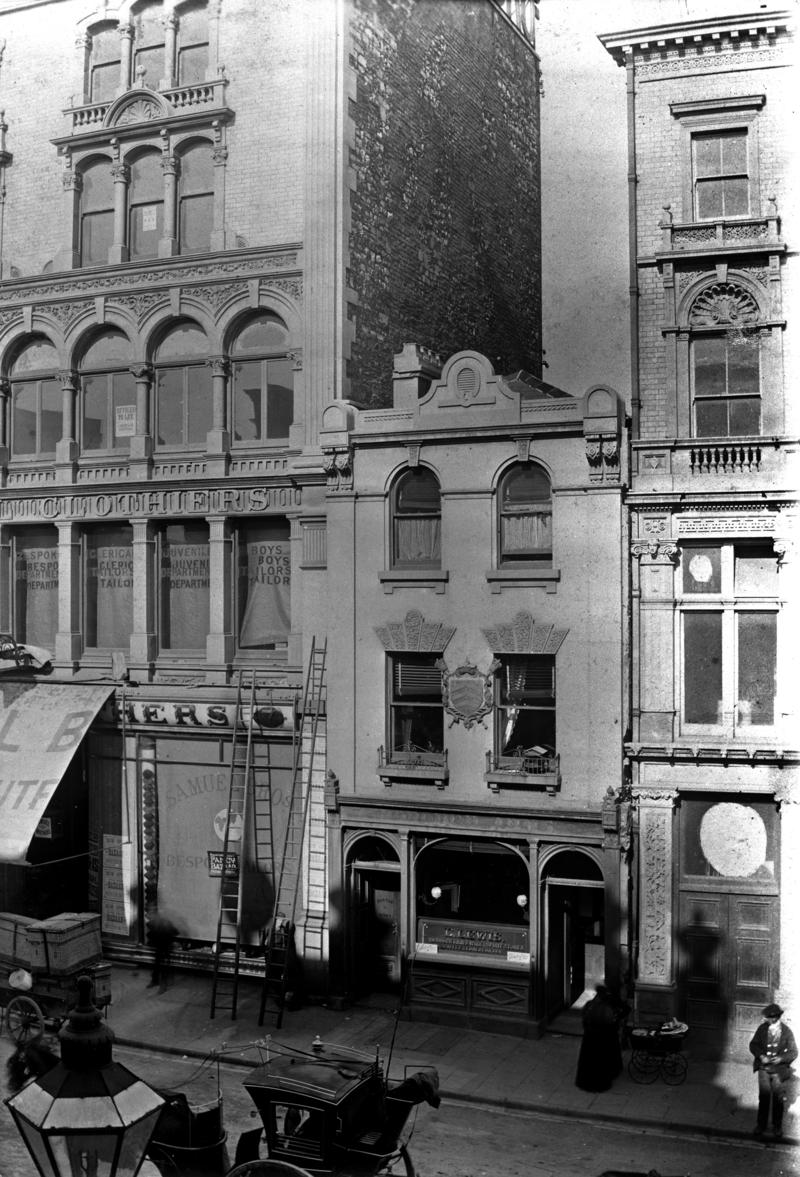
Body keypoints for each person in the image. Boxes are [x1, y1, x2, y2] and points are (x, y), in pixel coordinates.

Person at [749, 1002, 797, 1140]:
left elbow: (794, 1052)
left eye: (770, 1018)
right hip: (763, 1069)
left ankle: (777, 1126)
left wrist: (781, 1058)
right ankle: (761, 1125)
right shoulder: (762, 1029)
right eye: (767, 1017)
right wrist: (761, 1056)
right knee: (764, 1097)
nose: (767, 1020)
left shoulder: (786, 1031)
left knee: (778, 1099)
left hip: (778, 1071)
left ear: (776, 1017)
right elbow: (753, 1045)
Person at [575, 984, 624, 1093]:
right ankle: (600, 1084)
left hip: (589, 1039)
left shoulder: (590, 1005)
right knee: (600, 1063)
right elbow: (610, 1022)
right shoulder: (606, 1008)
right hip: (602, 1039)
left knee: (588, 1062)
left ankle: (585, 1082)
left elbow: (584, 1018)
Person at [146, 906, 179, 993]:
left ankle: (163, 985)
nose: (148, 915)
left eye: (151, 914)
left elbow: (175, 932)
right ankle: (155, 981)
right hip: (159, 947)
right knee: (156, 965)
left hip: (165, 947)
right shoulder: (152, 923)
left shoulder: (164, 922)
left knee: (163, 967)